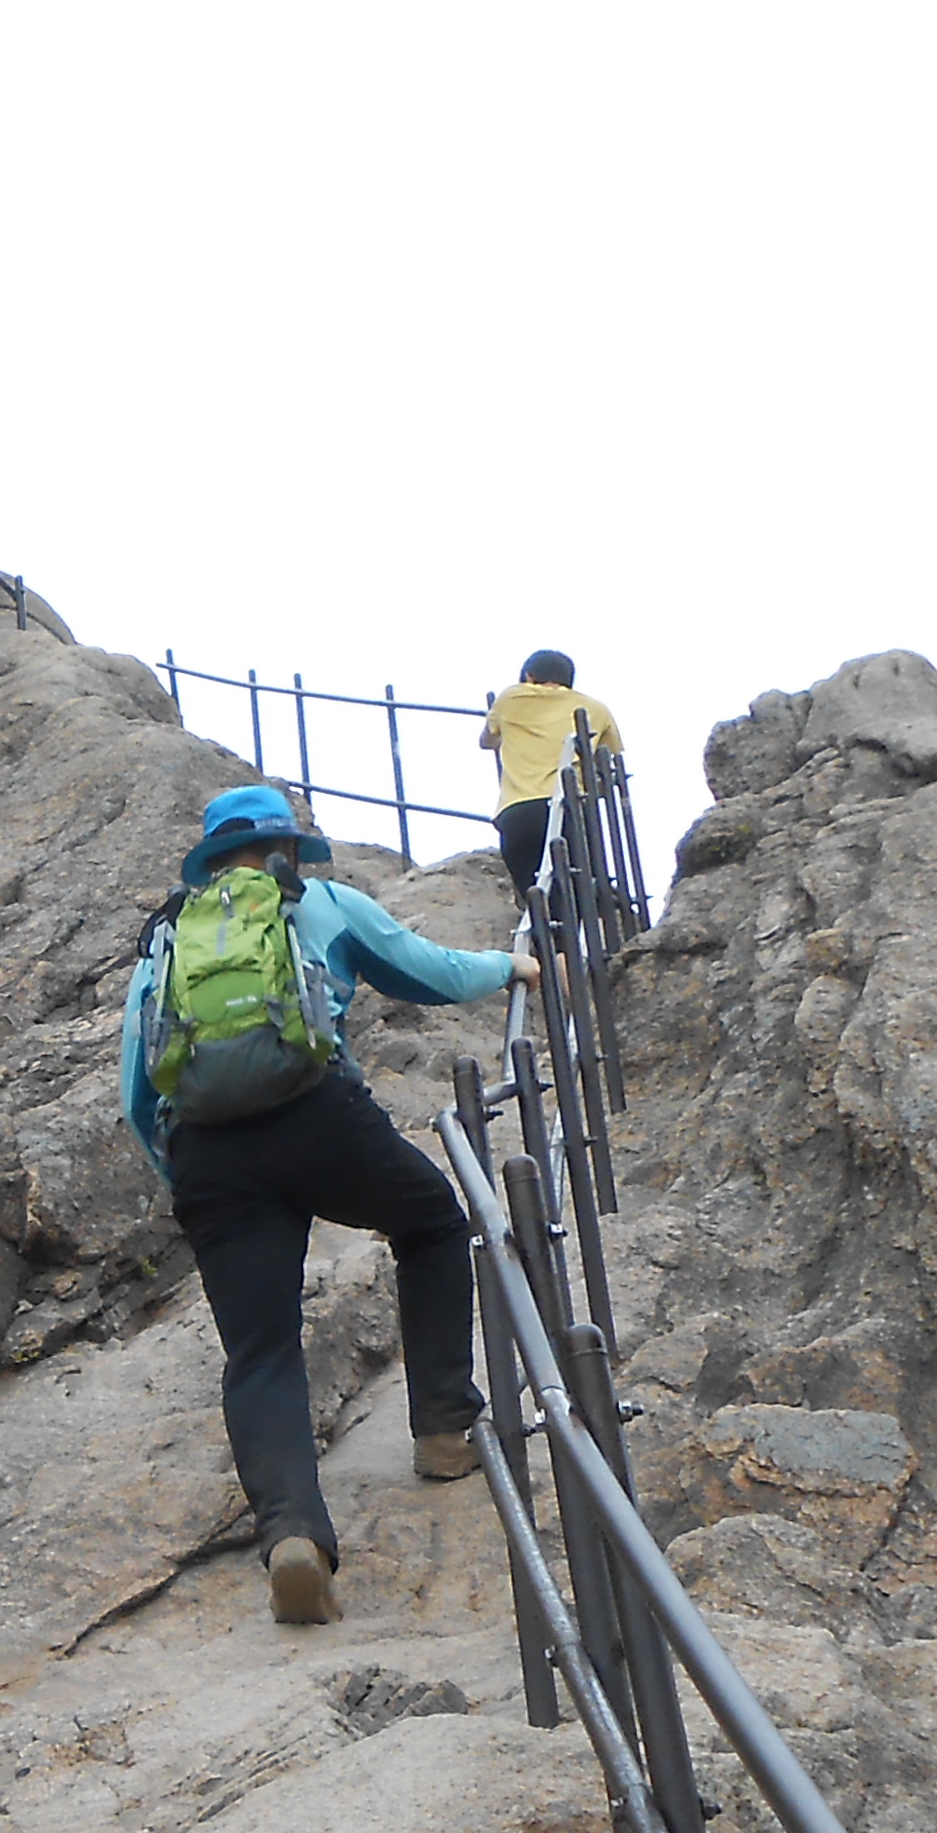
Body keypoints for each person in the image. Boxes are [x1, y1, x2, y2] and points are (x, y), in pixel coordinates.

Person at [131, 784, 532, 1628]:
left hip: (209, 1152)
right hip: (320, 1118)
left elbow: (139, 1083)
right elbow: (430, 973)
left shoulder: (167, 938)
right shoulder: (320, 903)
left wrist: (190, 1183)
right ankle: (444, 1429)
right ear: (285, 848)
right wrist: (511, 966)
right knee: (430, 1221)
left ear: (209, 860)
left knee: (261, 1346)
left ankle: (292, 1539)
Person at [481, 650, 626, 913]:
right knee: (576, 888)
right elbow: (609, 763)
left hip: (518, 812)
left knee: (534, 894)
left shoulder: (511, 698)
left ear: (528, 676)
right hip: (570, 807)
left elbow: (486, 740)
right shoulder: (595, 708)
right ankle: (570, 947)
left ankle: (549, 950)